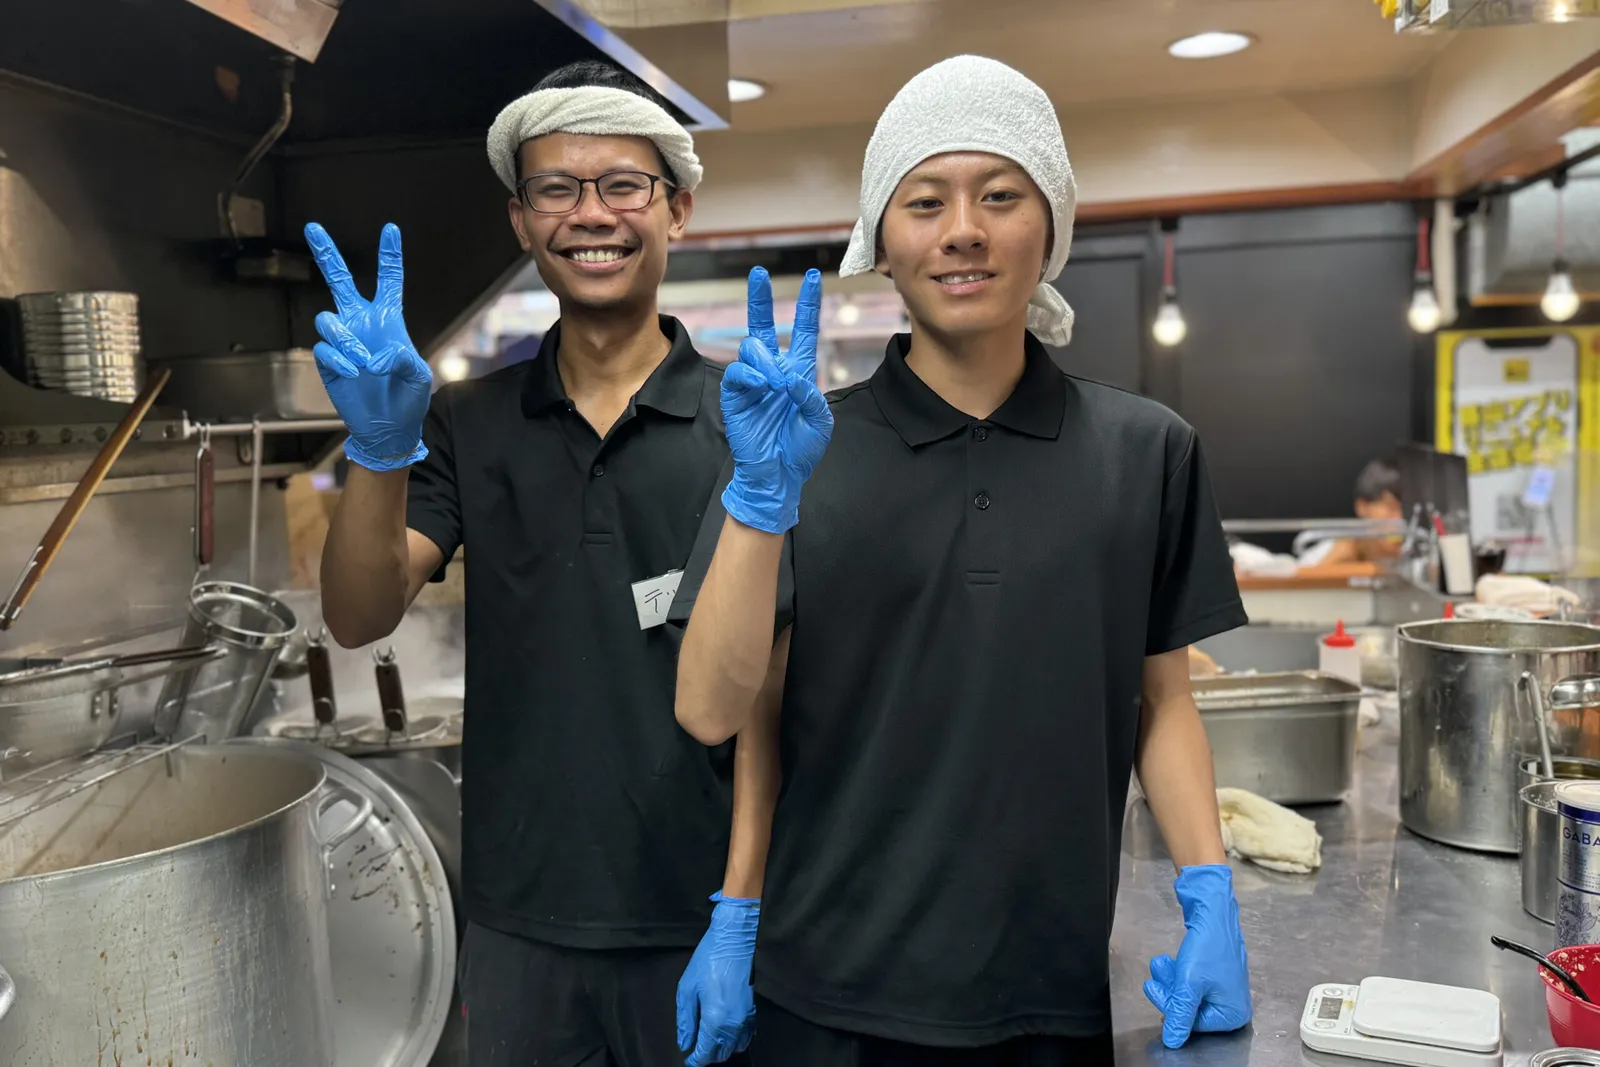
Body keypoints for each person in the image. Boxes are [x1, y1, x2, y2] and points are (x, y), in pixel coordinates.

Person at [671, 55, 1253, 1063]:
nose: (963, 230)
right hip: (827, 991)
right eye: (924, 200)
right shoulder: (797, 449)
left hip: (1053, 987)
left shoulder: (1146, 450)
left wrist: (1210, 894)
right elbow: (724, 712)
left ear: (1051, 228)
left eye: (1000, 195)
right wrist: (736, 909)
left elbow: (1163, 700)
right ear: (882, 242)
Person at [306, 59, 760, 1067]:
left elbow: (781, 694)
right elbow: (357, 611)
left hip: (705, 913)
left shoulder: (749, 426)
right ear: (520, 220)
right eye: (557, 188)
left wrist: (745, 908)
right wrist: (378, 450)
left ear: (676, 207)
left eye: (622, 186)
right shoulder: (468, 423)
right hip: (517, 921)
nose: (589, 214)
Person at [1313, 457, 1404, 565]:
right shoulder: (1324, 555)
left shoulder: (1420, 556)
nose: (1400, 518)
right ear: (1363, 507)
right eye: (1391, 507)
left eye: (1406, 509)